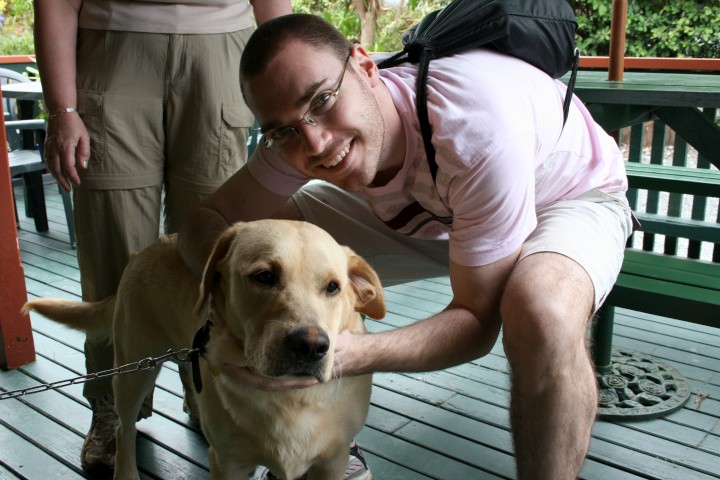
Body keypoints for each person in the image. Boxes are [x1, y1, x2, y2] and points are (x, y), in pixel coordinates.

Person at [177, 13, 635, 480]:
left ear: (365, 67)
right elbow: (205, 221)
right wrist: (225, 299)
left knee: (543, 310)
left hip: (562, 198)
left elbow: (476, 321)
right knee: (274, 242)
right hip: (444, 213)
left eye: (322, 101)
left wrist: (345, 354)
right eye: (284, 130)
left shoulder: (475, 129)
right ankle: (313, 437)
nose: (315, 143)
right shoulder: (302, 131)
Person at [33, 0, 291, 475]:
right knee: (112, 255)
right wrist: (62, 109)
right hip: (111, 49)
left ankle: (209, 389)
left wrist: (289, 93)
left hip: (221, 51)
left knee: (215, 253)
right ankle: (111, 407)